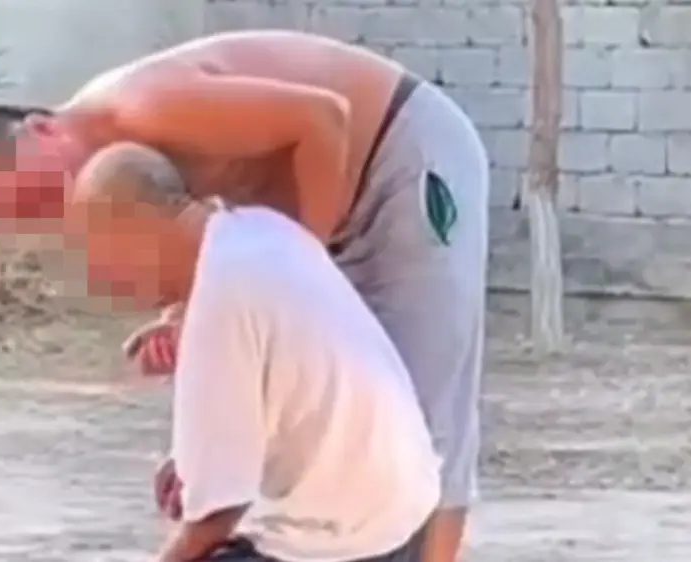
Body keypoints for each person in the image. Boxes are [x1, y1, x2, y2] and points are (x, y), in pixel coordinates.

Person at [0, 29, 490, 562]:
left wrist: (303, 272)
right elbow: (215, 252)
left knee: (425, 417)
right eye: (32, 213)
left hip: (400, 153)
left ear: (42, 129)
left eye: (38, 188)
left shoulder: (143, 108)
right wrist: (190, 328)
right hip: (317, 217)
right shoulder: (127, 186)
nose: (53, 204)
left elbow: (324, 119)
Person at [68, 142, 442, 561]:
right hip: (403, 513)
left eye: (97, 249)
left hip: (349, 541)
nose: (99, 274)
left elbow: (215, 514)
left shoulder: (219, 301)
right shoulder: (258, 228)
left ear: (131, 229)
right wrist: (193, 461)